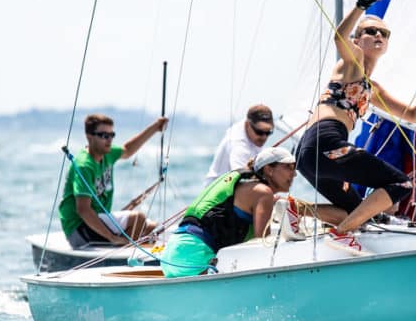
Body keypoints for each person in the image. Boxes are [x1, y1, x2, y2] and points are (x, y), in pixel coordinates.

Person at [295, 0, 416, 251]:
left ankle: (294, 209)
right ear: (358, 40)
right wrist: (361, 5)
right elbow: (339, 36)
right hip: (324, 143)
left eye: (383, 34)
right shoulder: (352, 64)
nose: (378, 35)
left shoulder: (372, 88)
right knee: (400, 184)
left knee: (358, 211)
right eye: (370, 31)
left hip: (313, 153)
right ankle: (341, 235)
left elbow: (414, 116)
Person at [161, 146, 297, 278]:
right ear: (269, 170)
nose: (294, 173)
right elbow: (263, 244)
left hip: (172, 256)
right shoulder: (263, 193)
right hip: (193, 257)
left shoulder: (247, 187)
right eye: (288, 167)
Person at [58, 113, 168, 249]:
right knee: (138, 219)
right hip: (79, 228)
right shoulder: (84, 166)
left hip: (98, 220)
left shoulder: (107, 153)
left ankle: (125, 251)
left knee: (152, 228)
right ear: (89, 136)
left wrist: (156, 127)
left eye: (111, 135)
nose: (109, 140)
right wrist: (113, 238)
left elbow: (127, 150)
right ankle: (123, 253)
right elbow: (83, 210)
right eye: (104, 136)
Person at [205, 104, 275, 182]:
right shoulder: (238, 144)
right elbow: (243, 178)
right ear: (247, 124)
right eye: (259, 132)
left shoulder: (250, 129)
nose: (264, 137)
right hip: (218, 190)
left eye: (268, 132)